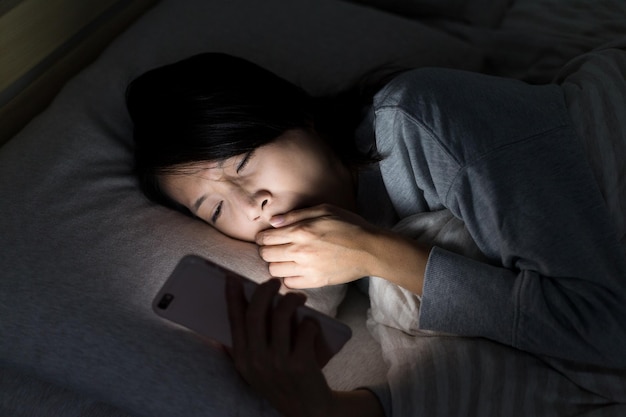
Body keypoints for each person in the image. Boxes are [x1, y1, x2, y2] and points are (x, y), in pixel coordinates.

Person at [126, 52, 626, 416]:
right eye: (214, 209)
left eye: (242, 161)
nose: (251, 205)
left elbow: (605, 331)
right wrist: (325, 406)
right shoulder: (351, 258)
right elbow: (521, 371)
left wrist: (380, 254)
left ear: (298, 116)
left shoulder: (418, 116)